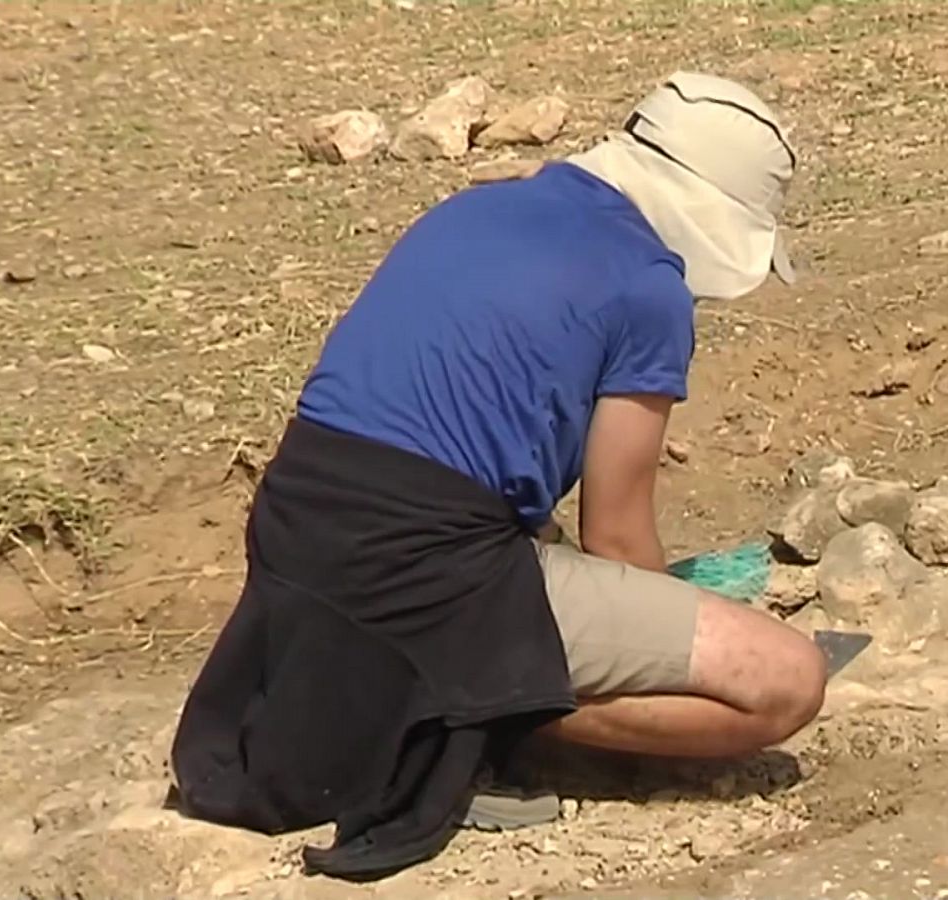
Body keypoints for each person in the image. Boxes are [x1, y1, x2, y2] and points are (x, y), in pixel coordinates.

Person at [169, 72, 826, 881]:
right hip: (424, 565)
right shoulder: (650, 289)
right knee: (786, 682)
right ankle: (482, 714)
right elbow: (616, 535)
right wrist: (669, 625)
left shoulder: (472, 209)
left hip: (301, 525)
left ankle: (449, 688)